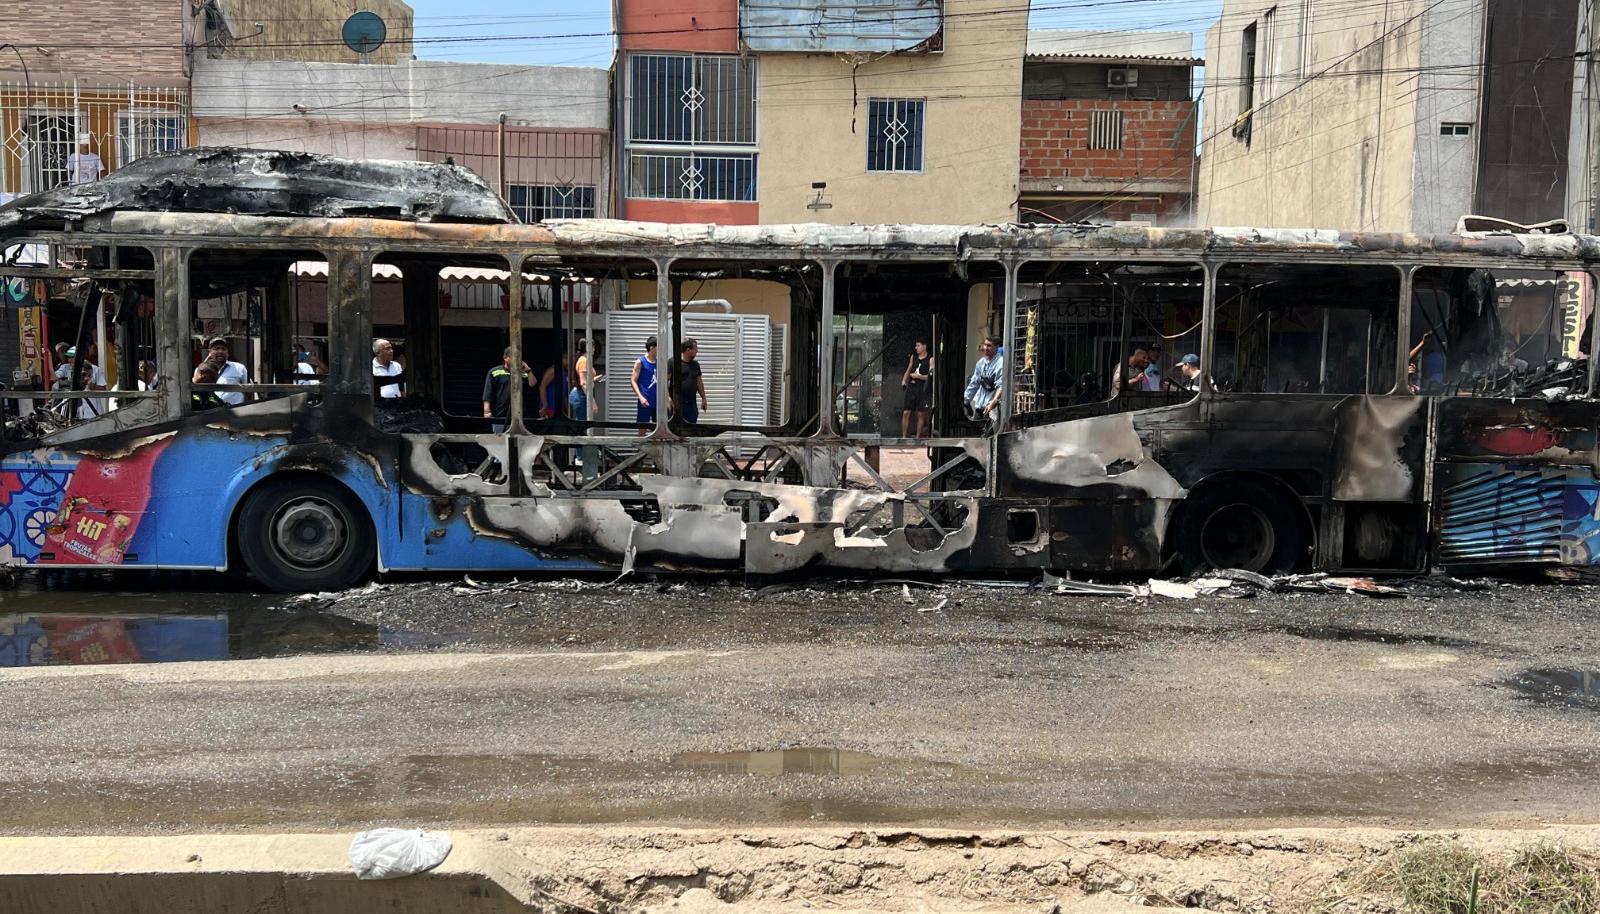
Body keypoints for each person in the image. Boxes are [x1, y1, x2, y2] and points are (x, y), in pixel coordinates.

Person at [481, 347, 533, 433]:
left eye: (519, 357)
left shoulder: (523, 373)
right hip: (500, 415)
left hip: (520, 417)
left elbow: (532, 384)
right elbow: (488, 392)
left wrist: (529, 370)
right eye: (514, 357)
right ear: (505, 358)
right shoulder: (495, 372)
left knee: (519, 442)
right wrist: (487, 411)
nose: (517, 360)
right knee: (500, 441)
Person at [962, 336, 1004, 424]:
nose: (985, 348)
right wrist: (965, 401)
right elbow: (974, 383)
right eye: (985, 345)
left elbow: (1001, 386)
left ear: (996, 347)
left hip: (993, 410)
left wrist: (993, 402)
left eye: (989, 346)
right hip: (979, 407)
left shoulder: (1000, 363)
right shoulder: (981, 363)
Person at [201, 337, 250, 406]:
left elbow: (250, 390)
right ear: (210, 352)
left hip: (236, 410)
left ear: (227, 352)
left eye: (223, 349)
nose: (220, 351)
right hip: (211, 412)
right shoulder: (203, 369)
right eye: (216, 348)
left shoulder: (239, 368)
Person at [901, 338, 934, 438]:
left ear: (924, 346)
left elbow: (931, 375)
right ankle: (903, 436)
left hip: (922, 387)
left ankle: (918, 436)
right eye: (916, 346)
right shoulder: (913, 357)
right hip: (912, 386)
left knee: (920, 413)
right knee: (906, 412)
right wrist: (904, 380)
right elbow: (909, 368)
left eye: (918, 345)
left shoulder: (930, 359)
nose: (916, 348)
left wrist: (920, 377)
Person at [67, 345, 109, 419]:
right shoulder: (67, 369)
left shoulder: (95, 369)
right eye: (68, 357)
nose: (69, 360)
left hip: (94, 414)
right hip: (77, 415)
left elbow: (104, 389)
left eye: (71, 357)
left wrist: (93, 386)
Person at [630, 335, 659, 435]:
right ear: (652, 348)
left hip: (657, 402)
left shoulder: (660, 363)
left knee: (658, 430)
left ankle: (655, 451)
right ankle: (641, 450)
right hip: (645, 401)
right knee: (642, 429)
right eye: (658, 347)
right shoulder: (640, 362)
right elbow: (633, 381)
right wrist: (640, 397)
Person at [674, 338, 708, 425]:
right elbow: (665, 382)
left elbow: (699, 382)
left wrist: (704, 398)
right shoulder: (674, 363)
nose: (697, 351)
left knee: (691, 430)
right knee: (677, 431)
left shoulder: (695, 365)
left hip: (691, 405)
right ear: (688, 350)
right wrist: (668, 399)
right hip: (678, 405)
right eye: (695, 349)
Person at [569, 338, 602, 422]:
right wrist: (592, 402)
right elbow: (583, 383)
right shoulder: (584, 361)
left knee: (582, 424)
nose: (594, 349)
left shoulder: (583, 360)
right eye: (593, 346)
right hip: (581, 395)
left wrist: (594, 379)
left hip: (581, 394)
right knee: (582, 425)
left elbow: (584, 380)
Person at [538, 351, 571, 419]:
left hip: (558, 409)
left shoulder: (563, 373)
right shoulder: (553, 370)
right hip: (550, 408)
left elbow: (563, 392)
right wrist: (545, 405)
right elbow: (542, 387)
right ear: (563, 359)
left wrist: (567, 410)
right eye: (568, 359)